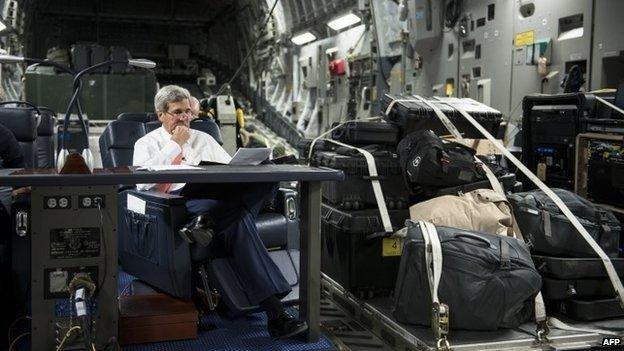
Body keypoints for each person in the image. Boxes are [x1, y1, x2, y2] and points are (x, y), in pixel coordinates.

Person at [132, 85, 307, 340]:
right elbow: (143, 184)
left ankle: (207, 223)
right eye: (177, 112)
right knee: (237, 218)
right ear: (161, 115)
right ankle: (276, 315)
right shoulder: (146, 143)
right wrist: (174, 145)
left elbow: (231, 173)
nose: (184, 118)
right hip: (179, 204)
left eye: (187, 113)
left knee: (266, 180)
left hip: (216, 202)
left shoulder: (205, 139)